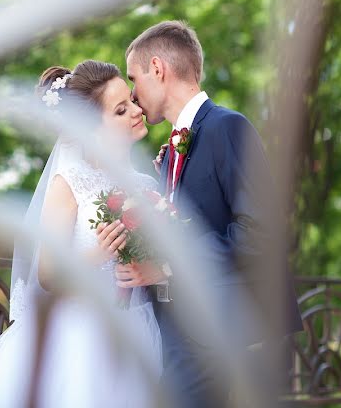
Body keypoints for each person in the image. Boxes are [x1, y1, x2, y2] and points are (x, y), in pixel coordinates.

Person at [121, 20, 303, 406]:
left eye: (134, 78)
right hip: (174, 332)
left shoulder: (228, 128)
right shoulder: (170, 152)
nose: (133, 94)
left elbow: (260, 233)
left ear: (158, 69)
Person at [0, 60, 162, 408]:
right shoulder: (71, 182)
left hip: (135, 329)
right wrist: (99, 253)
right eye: (121, 110)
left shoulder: (147, 185)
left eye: (132, 102)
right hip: (78, 339)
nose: (136, 111)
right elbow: (47, 275)